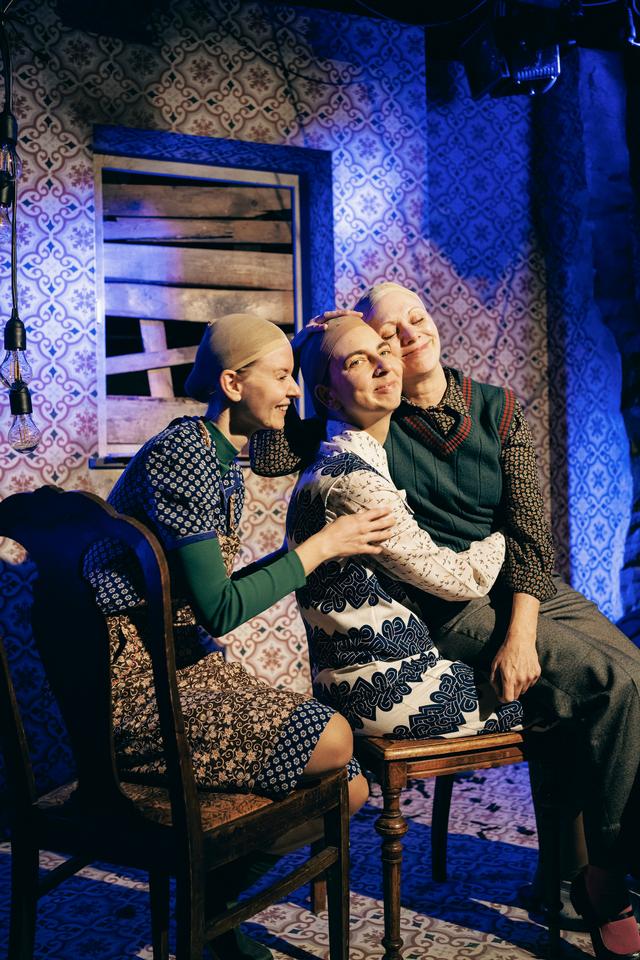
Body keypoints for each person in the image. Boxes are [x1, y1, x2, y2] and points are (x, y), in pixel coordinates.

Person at [251, 286, 640, 960]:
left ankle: (576, 872)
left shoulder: (497, 408)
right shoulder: (377, 415)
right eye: (385, 335)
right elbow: (268, 453)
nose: (406, 338)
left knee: (630, 677)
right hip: (450, 608)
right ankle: (605, 884)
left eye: (417, 319)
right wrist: (307, 345)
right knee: (615, 687)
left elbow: (528, 533)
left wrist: (521, 632)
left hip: (524, 587)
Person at [85, 313, 390, 960]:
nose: (293, 391)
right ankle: (210, 918)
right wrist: (320, 547)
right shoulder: (185, 457)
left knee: (354, 786)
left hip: (182, 664)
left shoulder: (218, 457)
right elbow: (220, 610)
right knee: (336, 738)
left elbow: (207, 598)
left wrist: (317, 546)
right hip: (137, 688)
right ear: (231, 383)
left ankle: (211, 911)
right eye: (281, 377)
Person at [285, 316, 524, 739]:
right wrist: (507, 532)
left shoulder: (337, 460)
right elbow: (460, 579)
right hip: (389, 689)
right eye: (358, 361)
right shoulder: (355, 483)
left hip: (356, 682)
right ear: (327, 395)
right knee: (552, 697)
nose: (383, 366)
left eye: (384, 352)